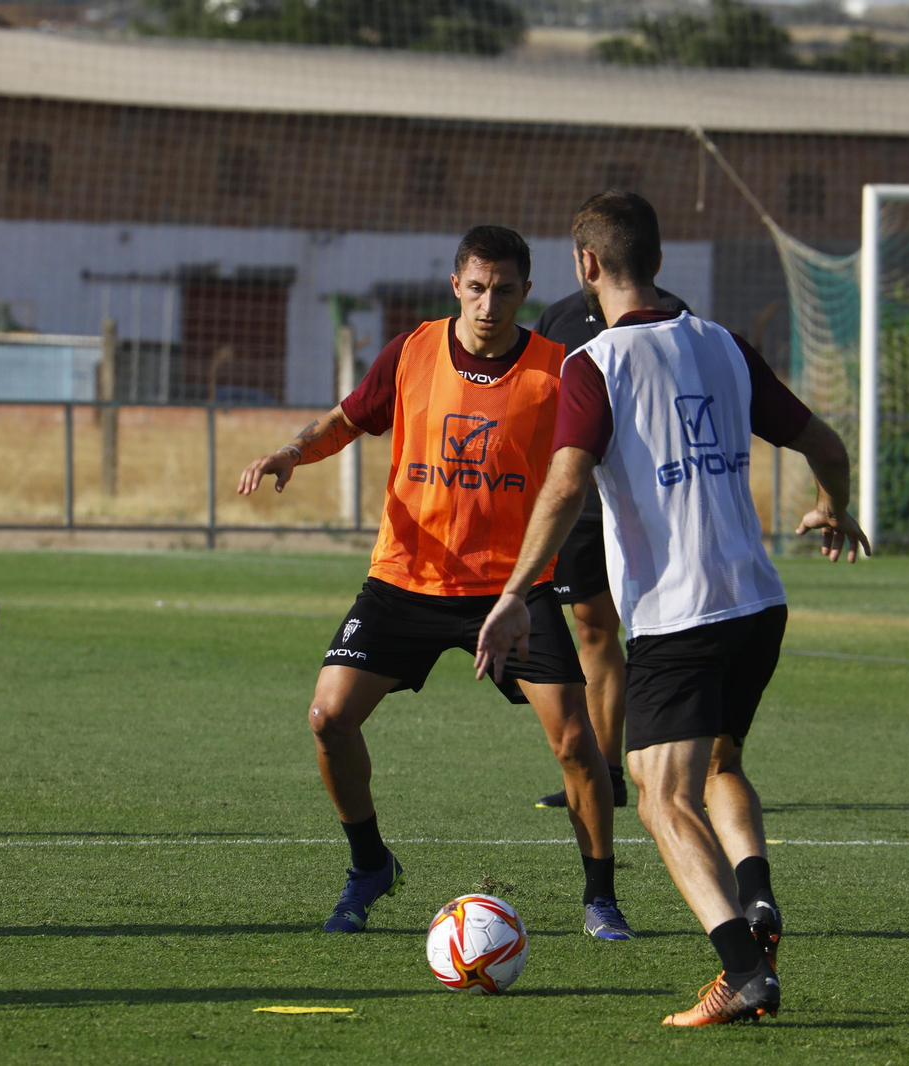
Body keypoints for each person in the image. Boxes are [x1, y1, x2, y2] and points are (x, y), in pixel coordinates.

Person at [475, 191, 868, 1025]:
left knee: (659, 798)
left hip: (681, 616)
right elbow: (826, 445)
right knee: (720, 764)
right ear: (658, 260)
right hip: (758, 603)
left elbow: (566, 485)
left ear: (586, 265)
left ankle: (744, 971)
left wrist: (513, 595)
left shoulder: (595, 364)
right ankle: (755, 896)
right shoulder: (724, 344)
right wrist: (834, 507)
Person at [237, 225, 634, 941]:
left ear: (526, 292)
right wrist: (293, 450)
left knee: (577, 742)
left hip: (512, 590)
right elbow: (349, 418)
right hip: (405, 580)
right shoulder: (413, 350)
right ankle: (370, 865)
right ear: (456, 285)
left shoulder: (559, 369)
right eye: (476, 288)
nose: (489, 305)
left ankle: (601, 898)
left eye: (504, 291)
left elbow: (599, 463)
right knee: (328, 717)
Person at [530, 284, 691, 811]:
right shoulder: (558, 318)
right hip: (584, 507)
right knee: (593, 630)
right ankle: (607, 773)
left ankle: (699, 770)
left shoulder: (672, 316)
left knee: (672, 630)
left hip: (652, 503)